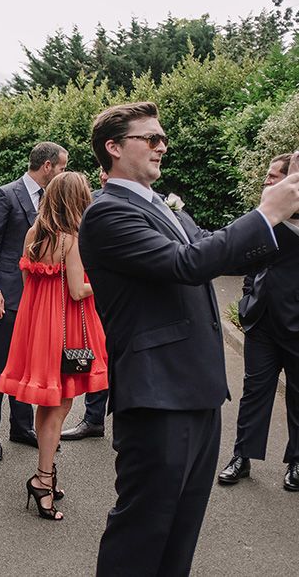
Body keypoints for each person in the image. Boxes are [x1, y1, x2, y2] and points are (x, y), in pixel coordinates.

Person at [79, 101, 299, 577]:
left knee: (181, 529)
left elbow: (223, 255)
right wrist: (266, 209)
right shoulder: (107, 214)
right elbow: (188, 265)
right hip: (157, 392)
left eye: (163, 137)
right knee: (143, 529)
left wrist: (289, 214)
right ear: (114, 148)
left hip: (197, 387)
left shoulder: (164, 206)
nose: (162, 145)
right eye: (150, 138)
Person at [0, 172, 108, 520]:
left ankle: (46, 473)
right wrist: (105, 280)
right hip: (67, 328)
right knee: (59, 407)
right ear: (77, 201)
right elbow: (78, 290)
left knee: (47, 404)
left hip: (36, 328)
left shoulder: (34, 233)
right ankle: (42, 480)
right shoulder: (72, 239)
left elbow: (27, 280)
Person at [0, 141, 68, 461]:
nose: (63, 173)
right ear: (47, 167)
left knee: (27, 365)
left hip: (36, 299)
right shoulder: (5, 194)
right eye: (62, 167)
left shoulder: (52, 202)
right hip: (5, 296)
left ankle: (21, 426)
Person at [218, 153, 299, 491]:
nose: (266, 181)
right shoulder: (265, 219)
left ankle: (296, 462)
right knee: (254, 390)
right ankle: (242, 457)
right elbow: (248, 262)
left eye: (272, 176)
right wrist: (248, 298)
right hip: (261, 320)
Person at [62, 167, 109, 441]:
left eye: (107, 171)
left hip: (122, 293)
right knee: (94, 355)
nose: (103, 176)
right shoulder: (89, 201)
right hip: (92, 288)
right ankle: (93, 419)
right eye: (101, 171)